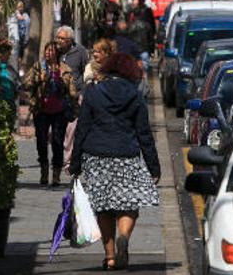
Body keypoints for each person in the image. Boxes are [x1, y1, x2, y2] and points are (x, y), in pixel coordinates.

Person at [70, 53, 160, 271]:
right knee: (128, 204)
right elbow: (144, 134)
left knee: (103, 208)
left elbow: (82, 129)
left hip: (96, 155)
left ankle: (110, 257)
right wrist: (154, 167)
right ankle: (124, 237)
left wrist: (75, 163)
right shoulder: (135, 95)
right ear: (129, 71)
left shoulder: (93, 92)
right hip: (126, 155)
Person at [63, 38, 118, 175]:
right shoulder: (90, 66)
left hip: (107, 106)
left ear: (106, 53)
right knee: (76, 130)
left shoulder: (114, 68)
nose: (94, 54)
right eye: (94, 51)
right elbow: (87, 82)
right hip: (88, 103)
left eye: (98, 52)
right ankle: (73, 162)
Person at [25, 41, 76, 186]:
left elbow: (72, 91)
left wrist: (64, 82)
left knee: (58, 142)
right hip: (41, 110)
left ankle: (56, 174)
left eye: (51, 51)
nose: (48, 53)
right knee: (41, 141)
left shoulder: (64, 69)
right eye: (46, 50)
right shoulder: (38, 67)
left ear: (57, 53)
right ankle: (44, 170)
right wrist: (38, 79)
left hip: (59, 111)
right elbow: (27, 84)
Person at [56, 25, 89, 96]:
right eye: (58, 38)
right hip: (58, 93)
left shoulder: (80, 51)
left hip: (75, 93)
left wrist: (82, 93)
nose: (59, 41)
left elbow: (86, 72)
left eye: (62, 38)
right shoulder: (55, 51)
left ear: (70, 40)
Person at [7, 0, 31, 69]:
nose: (20, 8)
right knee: (16, 56)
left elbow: (25, 28)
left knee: (19, 56)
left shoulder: (25, 16)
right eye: (19, 7)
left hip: (21, 39)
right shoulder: (14, 14)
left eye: (21, 7)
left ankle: (19, 68)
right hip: (16, 39)